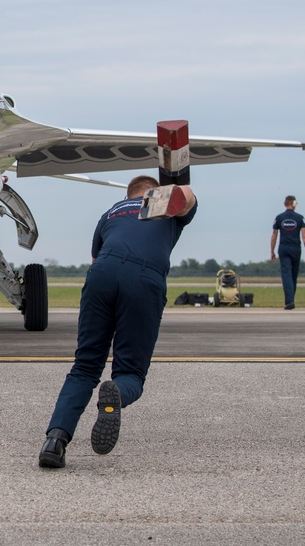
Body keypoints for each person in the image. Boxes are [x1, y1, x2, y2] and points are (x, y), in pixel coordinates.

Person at [39, 175, 197, 468]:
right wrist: (176, 186)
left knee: (85, 366)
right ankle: (115, 396)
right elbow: (188, 196)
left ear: (129, 194)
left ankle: (55, 441)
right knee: (131, 373)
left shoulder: (110, 212)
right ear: (155, 191)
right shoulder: (166, 206)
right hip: (144, 278)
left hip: (102, 272)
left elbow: (94, 258)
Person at [270, 195, 305, 310]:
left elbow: (274, 236)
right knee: (293, 276)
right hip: (295, 249)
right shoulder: (300, 218)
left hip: (283, 248)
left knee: (286, 274)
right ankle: (291, 300)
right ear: (293, 204)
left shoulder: (278, 218)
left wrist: (272, 251)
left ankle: (289, 301)